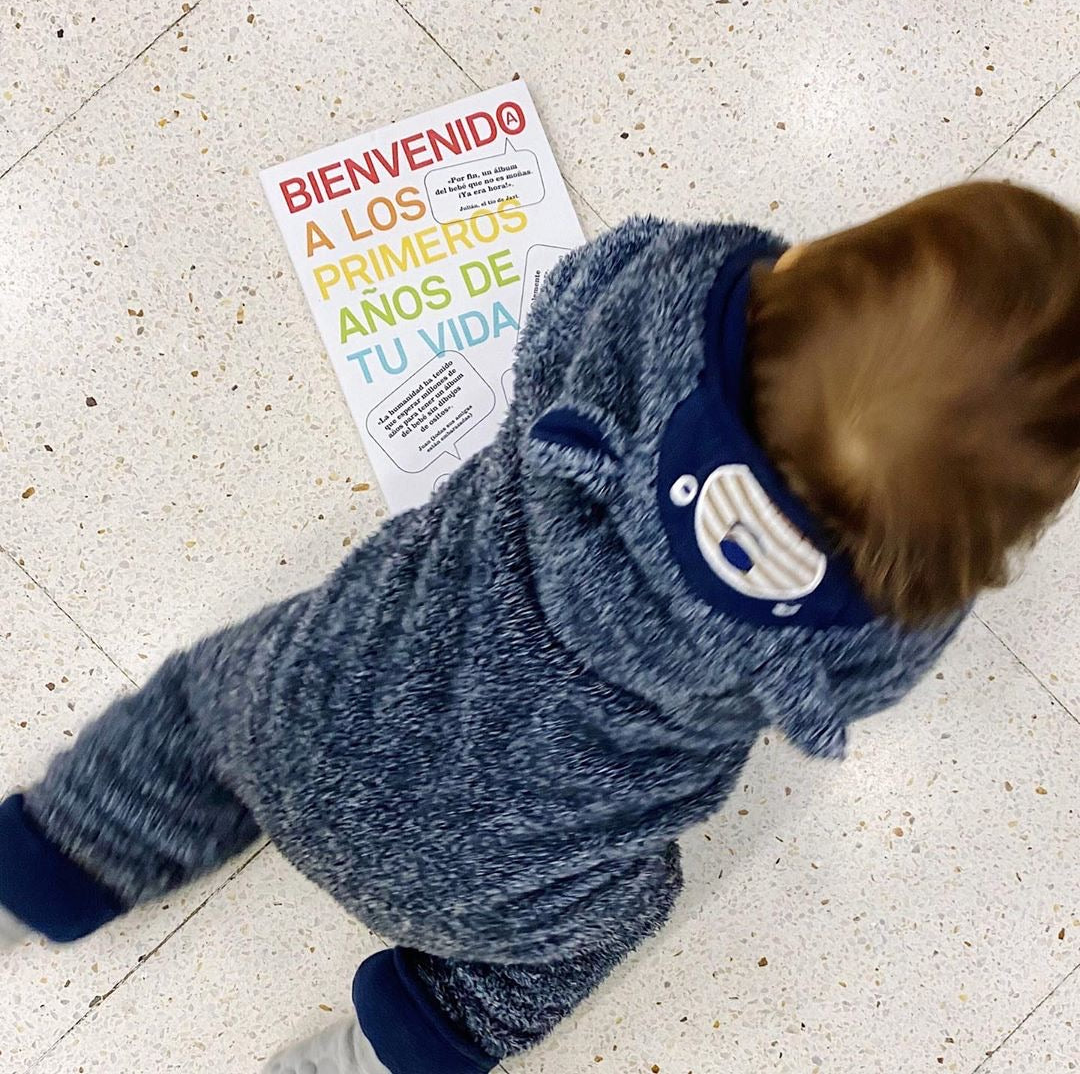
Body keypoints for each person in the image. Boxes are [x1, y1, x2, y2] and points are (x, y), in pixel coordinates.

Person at [2, 181, 1078, 1074]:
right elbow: (890, 662)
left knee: (197, 710)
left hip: (318, 712)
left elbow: (586, 284)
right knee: (598, 925)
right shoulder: (871, 638)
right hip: (506, 885)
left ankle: (53, 864)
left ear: (793, 276)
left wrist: (743, 277)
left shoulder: (641, 310)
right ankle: (390, 1056)